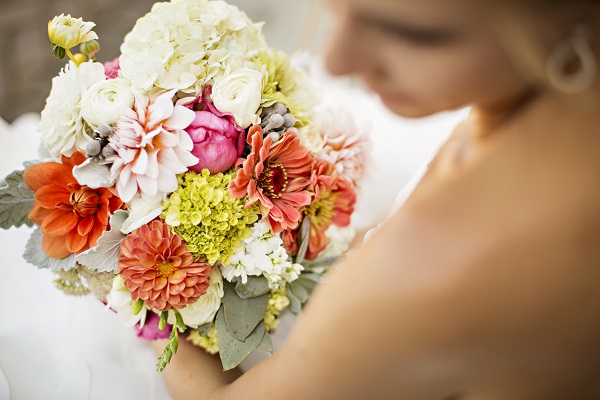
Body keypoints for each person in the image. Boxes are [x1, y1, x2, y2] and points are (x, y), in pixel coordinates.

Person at [154, 0, 600, 398]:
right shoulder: (548, 93)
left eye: (413, 34)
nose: (337, 59)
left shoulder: (440, 264)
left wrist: (150, 285)